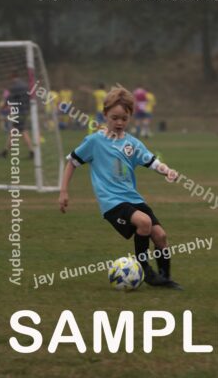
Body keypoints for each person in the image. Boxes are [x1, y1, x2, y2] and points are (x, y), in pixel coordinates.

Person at [59, 85, 182, 290]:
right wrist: (63, 191)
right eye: (114, 117)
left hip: (133, 198)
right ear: (105, 114)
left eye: (124, 118)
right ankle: (145, 269)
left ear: (130, 117)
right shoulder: (95, 141)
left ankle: (164, 278)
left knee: (160, 236)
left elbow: (152, 162)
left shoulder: (132, 144)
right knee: (144, 223)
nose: (119, 122)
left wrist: (167, 170)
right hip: (112, 202)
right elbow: (72, 161)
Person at [0, 70, 34, 158]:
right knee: (16, 132)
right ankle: (5, 152)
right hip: (25, 111)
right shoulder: (25, 85)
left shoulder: (14, 87)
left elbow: (8, 100)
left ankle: (31, 152)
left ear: (12, 76)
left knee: (20, 132)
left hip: (18, 112)